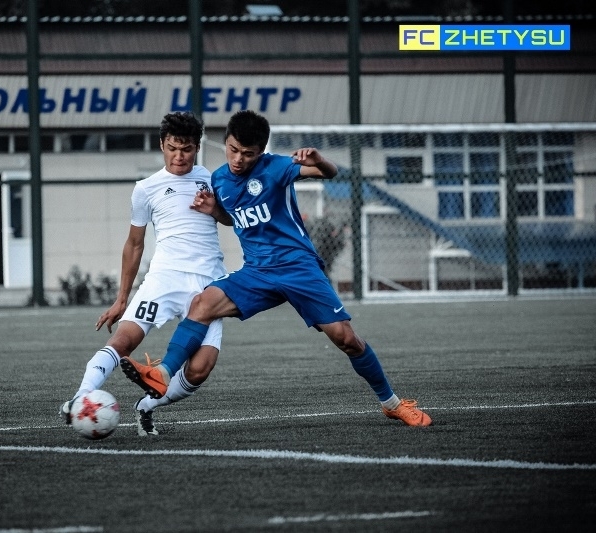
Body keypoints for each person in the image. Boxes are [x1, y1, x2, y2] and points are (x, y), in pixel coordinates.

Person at [120, 109, 432, 427]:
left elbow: (328, 173)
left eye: (248, 153)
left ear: (260, 152)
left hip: (299, 268)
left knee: (346, 339)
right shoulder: (219, 179)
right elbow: (232, 217)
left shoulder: (276, 167)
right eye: (233, 150)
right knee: (202, 303)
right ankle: (162, 373)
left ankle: (392, 403)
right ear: (225, 142)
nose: (238, 159)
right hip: (257, 272)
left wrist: (319, 160)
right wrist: (215, 211)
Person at [59, 112, 231, 436]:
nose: (179, 156)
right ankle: (80, 398)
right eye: (173, 148)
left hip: (207, 284)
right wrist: (121, 298)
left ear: (197, 147)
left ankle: (146, 406)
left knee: (200, 368)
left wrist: (215, 209)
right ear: (162, 145)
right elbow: (134, 244)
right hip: (164, 279)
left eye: (187, 149)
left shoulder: (213, 179)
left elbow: (233, 219)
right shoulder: (146, 189)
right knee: (124, 341)